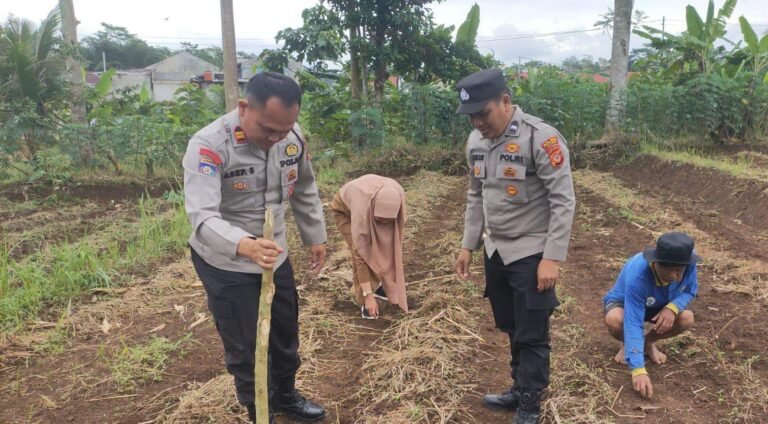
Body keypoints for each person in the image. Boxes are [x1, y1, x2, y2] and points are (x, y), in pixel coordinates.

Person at [183, 72, 327, 423]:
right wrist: (244, 246)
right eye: (267, 130)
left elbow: (305, 187)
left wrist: (315, 236)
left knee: (284, 334)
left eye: (284, 129)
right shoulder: (209, 146)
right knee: (246, 346)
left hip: (274, 256)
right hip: (226, 263)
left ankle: (286, 397)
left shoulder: (291, 138)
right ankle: (257, 411)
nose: (276, 138)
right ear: (244, 107)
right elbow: (202, 218)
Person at [453, 68, 576, 424]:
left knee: (533, 331)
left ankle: (530, 401)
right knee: (511, 325)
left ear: (505, 102)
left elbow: (563, 201)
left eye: (483, 113)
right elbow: (475, 196)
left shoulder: (541, 139)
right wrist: (468, 246)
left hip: (532, 252)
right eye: (471, 116)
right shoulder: (476, 143)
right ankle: (518, 386)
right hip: (496, 251)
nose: (478, 122)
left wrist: (552, 258)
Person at [603, 232, 699, 399]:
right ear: (657, 264)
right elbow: (633, 322)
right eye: (673, 270)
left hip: (662, 303)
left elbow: (691, 290)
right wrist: (638, 370)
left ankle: (647, 342)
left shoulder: (687, 264)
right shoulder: (639, 276)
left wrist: (673, 308)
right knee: (615, 320)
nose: (679, 276)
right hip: (626, 302)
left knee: (686, 318)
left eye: (681, 269)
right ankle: (629, 344)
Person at [330, 174, 408, 318]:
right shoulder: (362, 215)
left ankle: (384, 287)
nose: (383, 225)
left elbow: (395, 244)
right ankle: (365, 300)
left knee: (388, 245)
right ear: (374, 213)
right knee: (362, 252)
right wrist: (368, 296)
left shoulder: (398, 198)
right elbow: (361, 257)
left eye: (388, 222)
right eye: (379, 220)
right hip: (345, 211)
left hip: (369, 203)